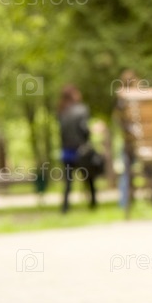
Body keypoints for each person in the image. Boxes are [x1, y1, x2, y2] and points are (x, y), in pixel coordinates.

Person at [57, 84, 97, 212]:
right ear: (73, 95)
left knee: (68, 181)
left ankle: (65, 207)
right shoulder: (82, 110)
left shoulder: (62, 111)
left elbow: (61, 133)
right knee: (88, 178)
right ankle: (93, 204)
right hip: (81, 150)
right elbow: (84, 129)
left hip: (67, 151)